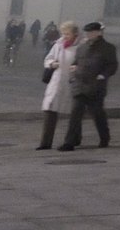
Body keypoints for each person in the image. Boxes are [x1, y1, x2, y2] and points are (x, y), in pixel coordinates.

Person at [58, 21, 118, 150]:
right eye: (87, 32)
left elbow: (112, 65)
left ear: (98, 32)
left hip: (96, 86)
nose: (89, 34)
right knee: (75, 114)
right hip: (79, 85)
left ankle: (104, 137)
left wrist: (103, 75)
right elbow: (76, 62)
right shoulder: (82, 47)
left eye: (91, 32)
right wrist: (73, 74)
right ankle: (69, 142)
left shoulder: (108, 48)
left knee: (97, 114)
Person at [36, 22, 80, 150]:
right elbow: (48, 58)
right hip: (56, 82)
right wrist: (51, 63)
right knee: (49, 110)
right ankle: (45, 142)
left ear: (74, 34)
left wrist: (77, 68)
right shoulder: (58, 44)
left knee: (73, 113)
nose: (65, 36)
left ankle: (74, 139)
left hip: (71, 83)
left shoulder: (80, 47)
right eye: (63, 33)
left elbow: (84, 62)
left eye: (67, 33)